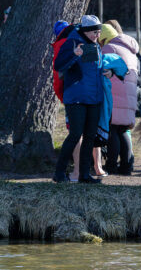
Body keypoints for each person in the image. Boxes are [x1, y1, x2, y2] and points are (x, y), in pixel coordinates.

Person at [53, 15, 112, 183]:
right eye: (94, 32)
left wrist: (108, 72)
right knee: (75, 134)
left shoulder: (94, 44)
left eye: (99, 32)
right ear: (86, 31)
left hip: (93, 98)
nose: (97, 35)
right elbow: (58, 65)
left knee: (90, 136)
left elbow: (93, 70)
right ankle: (59, 172)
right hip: (76, 98)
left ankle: (84, 174)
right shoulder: (72, 42)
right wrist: (74, 54)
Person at [99, 24, 139, 175]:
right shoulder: (130, 49)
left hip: (114, 94)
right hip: (129, 94)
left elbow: (100, 69)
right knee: (123, 130)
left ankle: (111, 165)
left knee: (112, 130)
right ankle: (127, 165)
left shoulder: (109, 48)